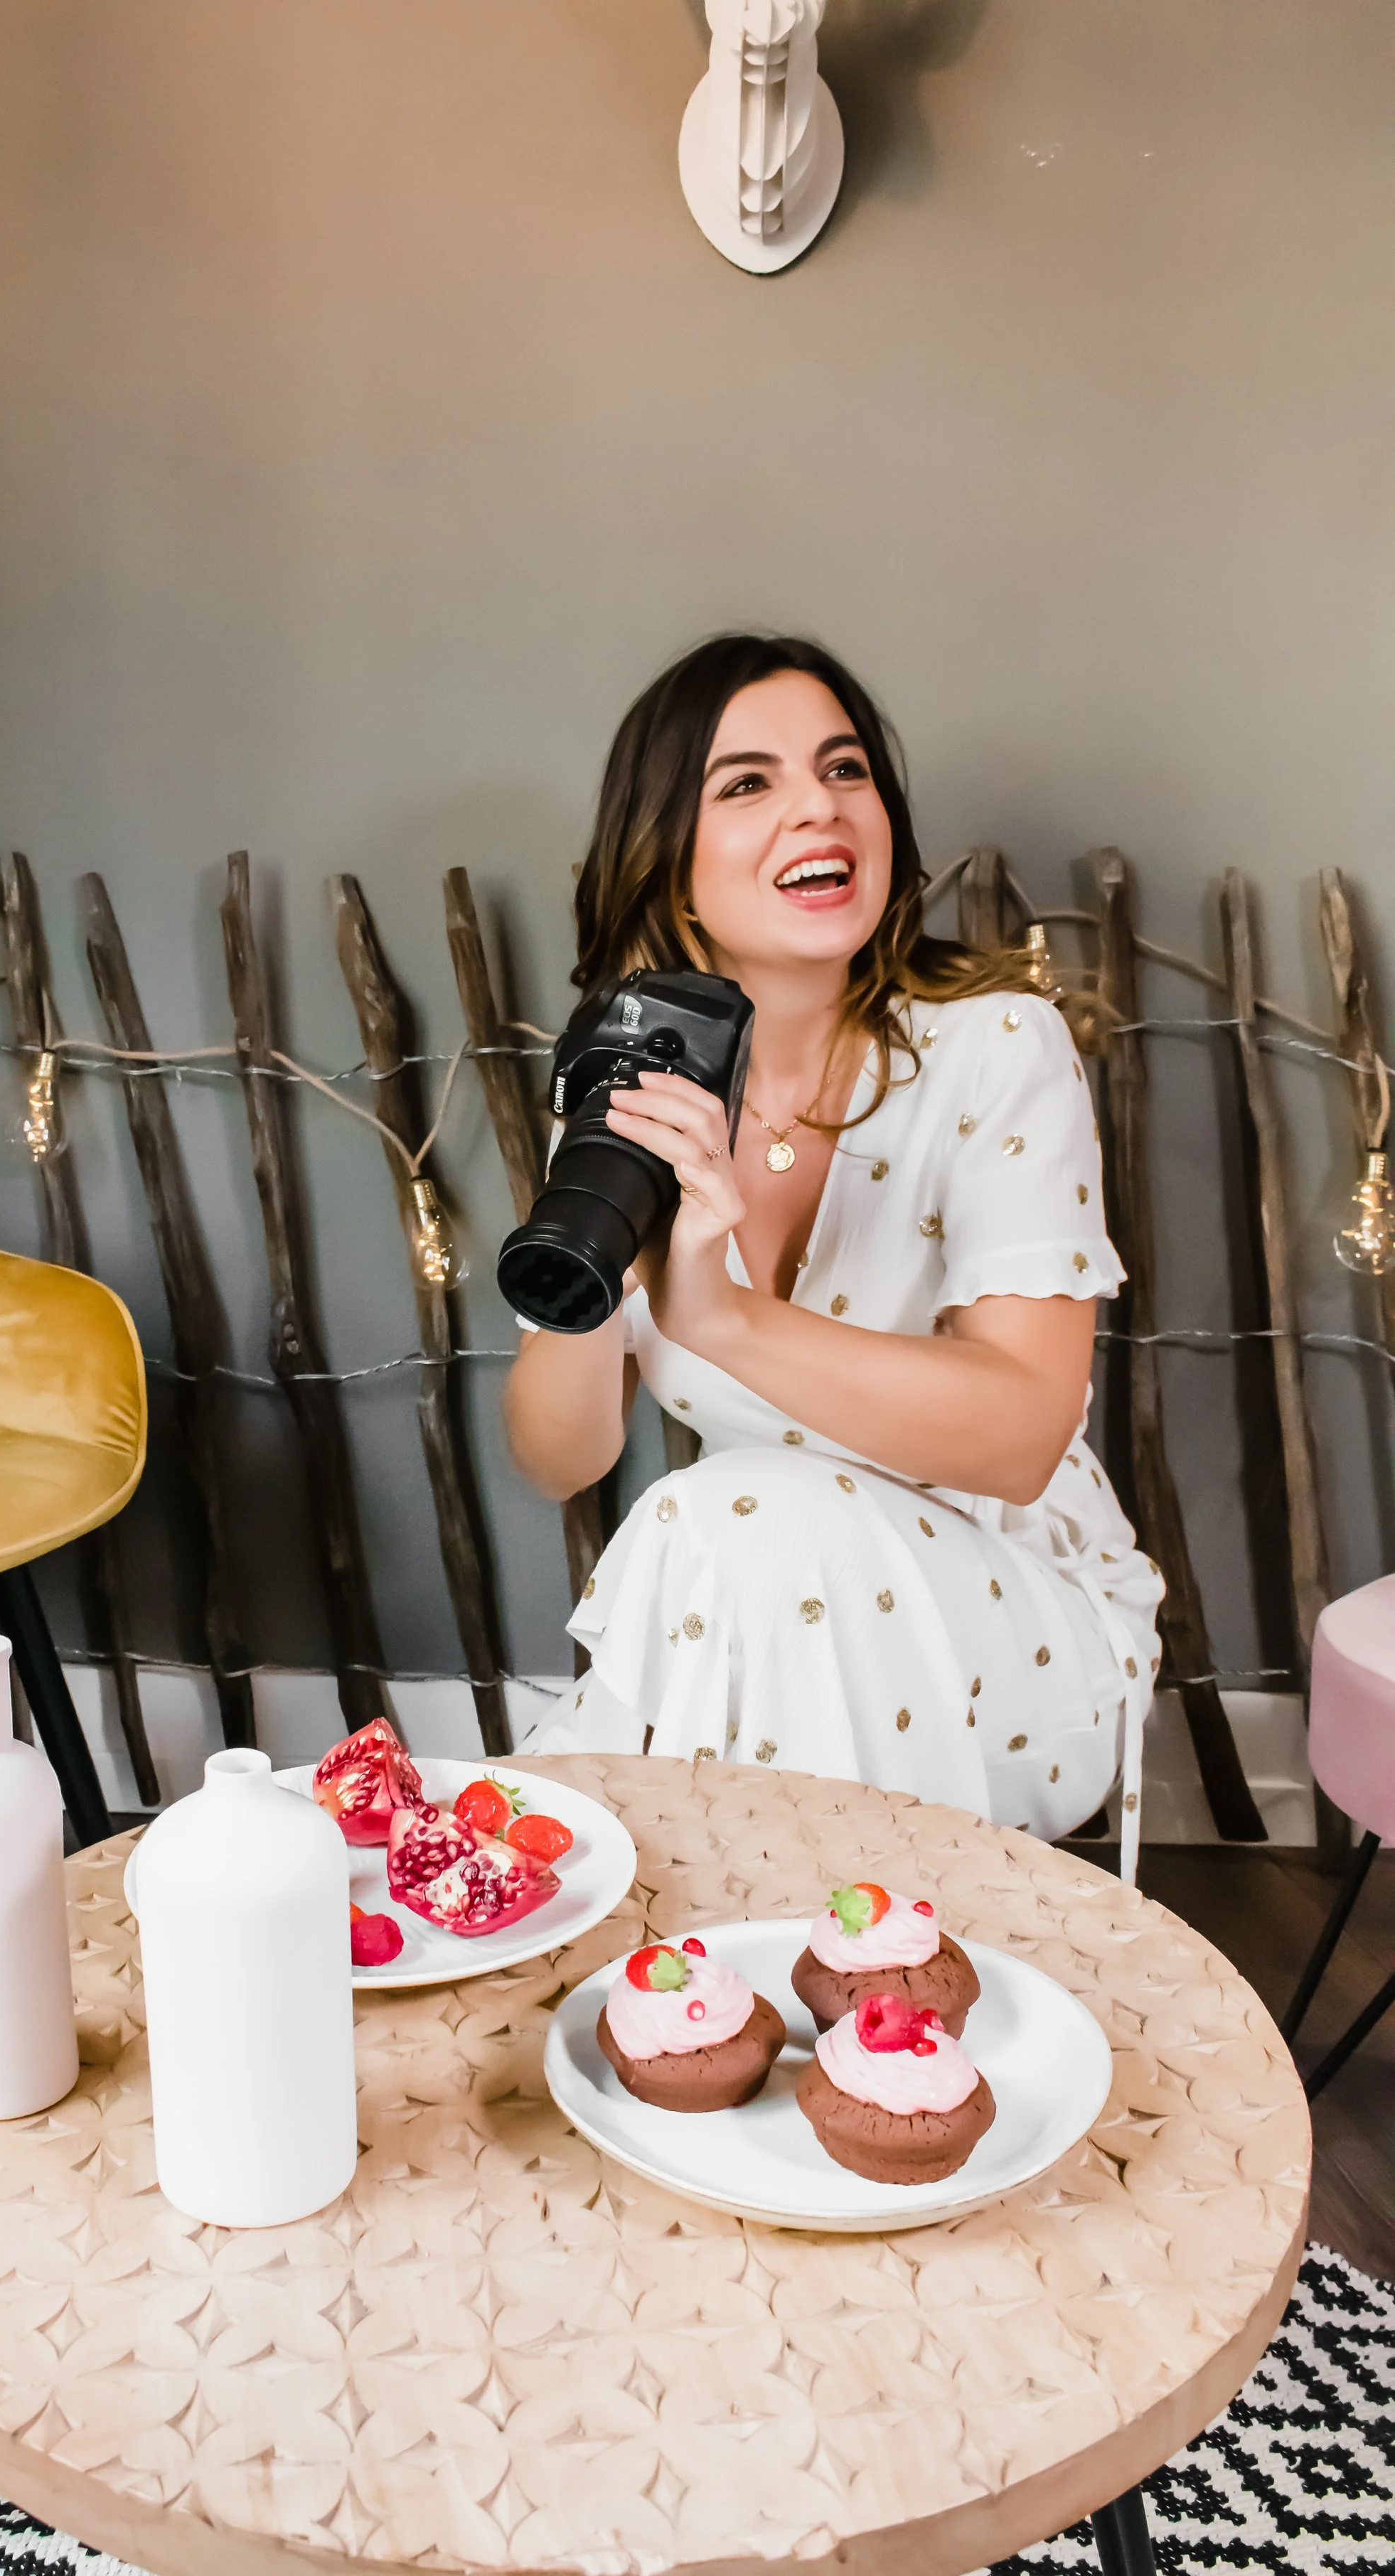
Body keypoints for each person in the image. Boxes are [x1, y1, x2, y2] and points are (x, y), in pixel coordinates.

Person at [506, 632, 1161, 1871]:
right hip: (759, 1613)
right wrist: (593, 1266)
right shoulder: (635, 1088)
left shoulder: (995, 1049)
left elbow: (1024, 1437)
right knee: (737, 1535)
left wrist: (723, 1317)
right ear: (672, 863)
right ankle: (803, 2001)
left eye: (845, 767)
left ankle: (701, 1984)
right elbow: (562, 1453)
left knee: (729, 1511)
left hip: (1024, 1637)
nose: (821, 803)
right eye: (748, 782)